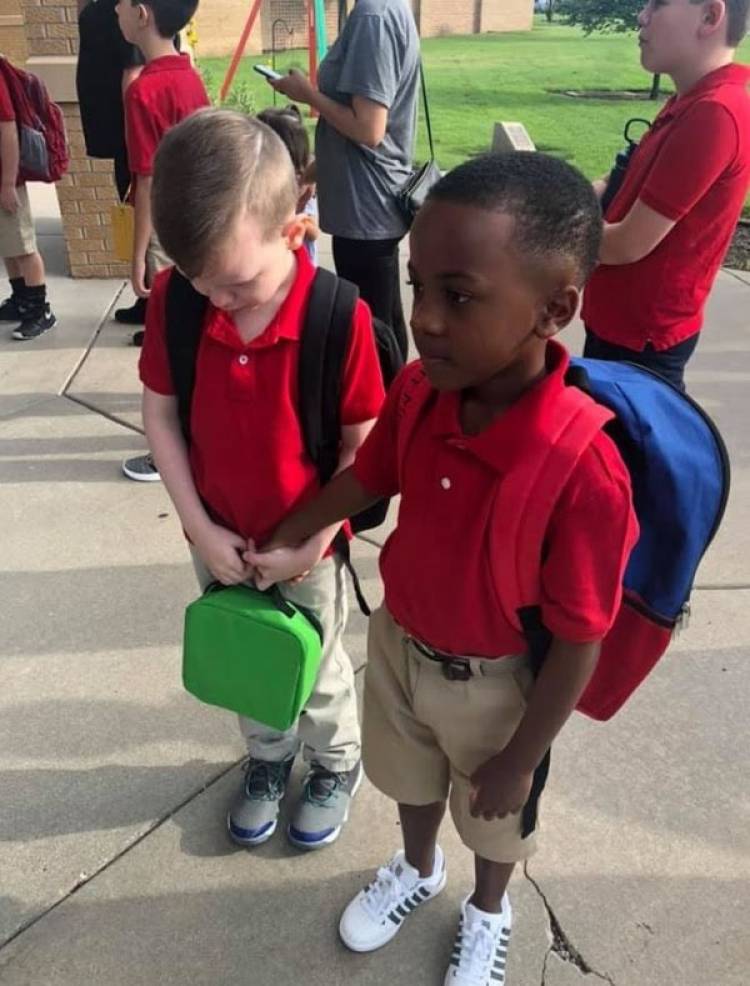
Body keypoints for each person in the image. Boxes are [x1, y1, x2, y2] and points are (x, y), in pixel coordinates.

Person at [251, 153, 639, 986]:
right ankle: (418, 869)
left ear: (555, 310)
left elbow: (579, 640)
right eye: (416, 284)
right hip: (400, 647)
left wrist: (521, 756)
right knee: (408, 779)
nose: (423, 319)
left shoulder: (582, 468)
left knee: (494, 821)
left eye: (457, 296)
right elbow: (370, 476)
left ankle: (489, 908)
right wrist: (293, 530)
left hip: (499, 691)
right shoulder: (423, 391)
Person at [140, 109, 385, 850]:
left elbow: (361, 449)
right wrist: (200, 529)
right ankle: (268, 758)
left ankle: (336, 761)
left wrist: (313, 541)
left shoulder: (338, 318)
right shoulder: (178, 304)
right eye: (195, 279)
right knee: (249, 659)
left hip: (306, 542)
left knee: (315, 668)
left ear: (293, 227)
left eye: (235, 283)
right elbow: (161, 419)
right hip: (217, 536)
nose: (216, 299)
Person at [583, 0, 750, 390]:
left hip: (641, 340)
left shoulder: (715, 113)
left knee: (627, 448)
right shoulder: (690, 100)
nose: (641, 16)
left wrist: (546, 228)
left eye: (657, 4)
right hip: (623, 324)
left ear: (710, 16)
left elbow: (626, 244)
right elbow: (618, 181)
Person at [268, 0, 420, 359]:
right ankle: (395, 401)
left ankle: (387, 406)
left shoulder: (374, 17)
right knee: (381, 318)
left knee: (373, 329)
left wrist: (305, 94)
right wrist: (312, 174)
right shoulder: (381, 10)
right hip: (367, 201)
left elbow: (369, 129)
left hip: (366, 206)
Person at [116, 0, 209, 482]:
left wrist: (137, 256)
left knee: (168, 350)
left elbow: (148, 180)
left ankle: (172, 450)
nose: (114, 9)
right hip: (201, 228)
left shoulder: (143, 90)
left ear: (142, 13)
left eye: (121, 3)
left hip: (168, 233)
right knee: (194, 337)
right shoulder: (189, 76)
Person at [76, 0, 180, 327]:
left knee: (144, 216)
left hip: (135, 142)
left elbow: (132, 73)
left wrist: (133, 134)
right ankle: (148, 299)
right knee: (130, 203)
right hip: (122, 138)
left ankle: (157, 309)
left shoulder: (134, 23)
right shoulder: (104, 11)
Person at [0, 59, 57, 342]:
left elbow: (8, 130)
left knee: (23, 246)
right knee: (7, 245)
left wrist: (9, 183)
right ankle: (21, 299)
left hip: (5, 181)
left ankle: (40, 311)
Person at [257, 105, 320, 265]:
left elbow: (313, 232)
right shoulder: (258, 180)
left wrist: (294, 222)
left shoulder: (304, 183)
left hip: (298, 262)